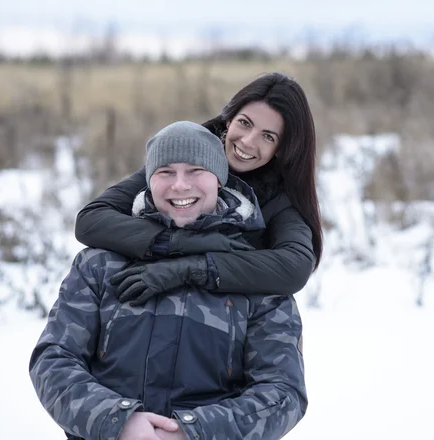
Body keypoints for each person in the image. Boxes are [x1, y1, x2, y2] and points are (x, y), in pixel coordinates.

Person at [30, 121, 307, 440]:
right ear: (148, 181)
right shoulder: (100, 263)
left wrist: (192, 431)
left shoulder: (254, 273)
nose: (179, 185)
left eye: (195, 170)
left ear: (219, 178)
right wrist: (119, 422)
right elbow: (54, 360)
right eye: (165, 172)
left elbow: (283, 393)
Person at [74, 72, 322, 305]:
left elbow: (295, 266)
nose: (247, 142)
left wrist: (193, 267)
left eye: (268, 136)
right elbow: (91, 220)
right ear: (229, 118)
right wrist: (174, 243)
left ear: (281, 148)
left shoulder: (279, 198)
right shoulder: (184, 156)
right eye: (245, 123)